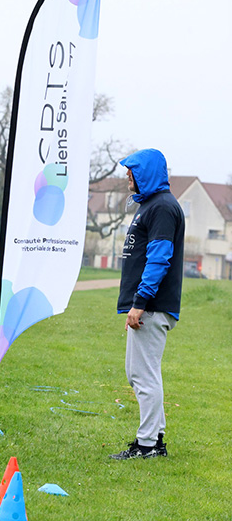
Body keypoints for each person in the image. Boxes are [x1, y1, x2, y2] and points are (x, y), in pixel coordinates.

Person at [109, 149, 184, 460]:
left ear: (147, 173)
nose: (128, 176)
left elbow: (159, 259)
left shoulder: (163, 208)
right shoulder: (150, 205)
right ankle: (156, 439)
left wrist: (140, 302)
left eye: (133, 171)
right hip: (146, 306)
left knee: (142, 375)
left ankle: (147, 445)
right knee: (141, 373)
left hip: (151, 307)